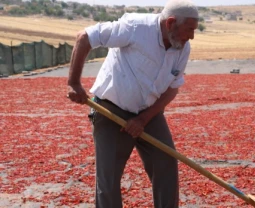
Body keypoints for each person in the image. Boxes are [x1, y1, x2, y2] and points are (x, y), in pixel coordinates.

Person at [66, 0, 199, 207]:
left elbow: (173, 88)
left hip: (149, 112)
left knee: (165, 162)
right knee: (108, 177)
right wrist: (74, 83)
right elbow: (85, 37)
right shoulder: (136, 27)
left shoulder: (181, 47)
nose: (191, 36)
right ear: (171, 22)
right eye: (189, 29)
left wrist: (143, 119)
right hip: (111, 109)